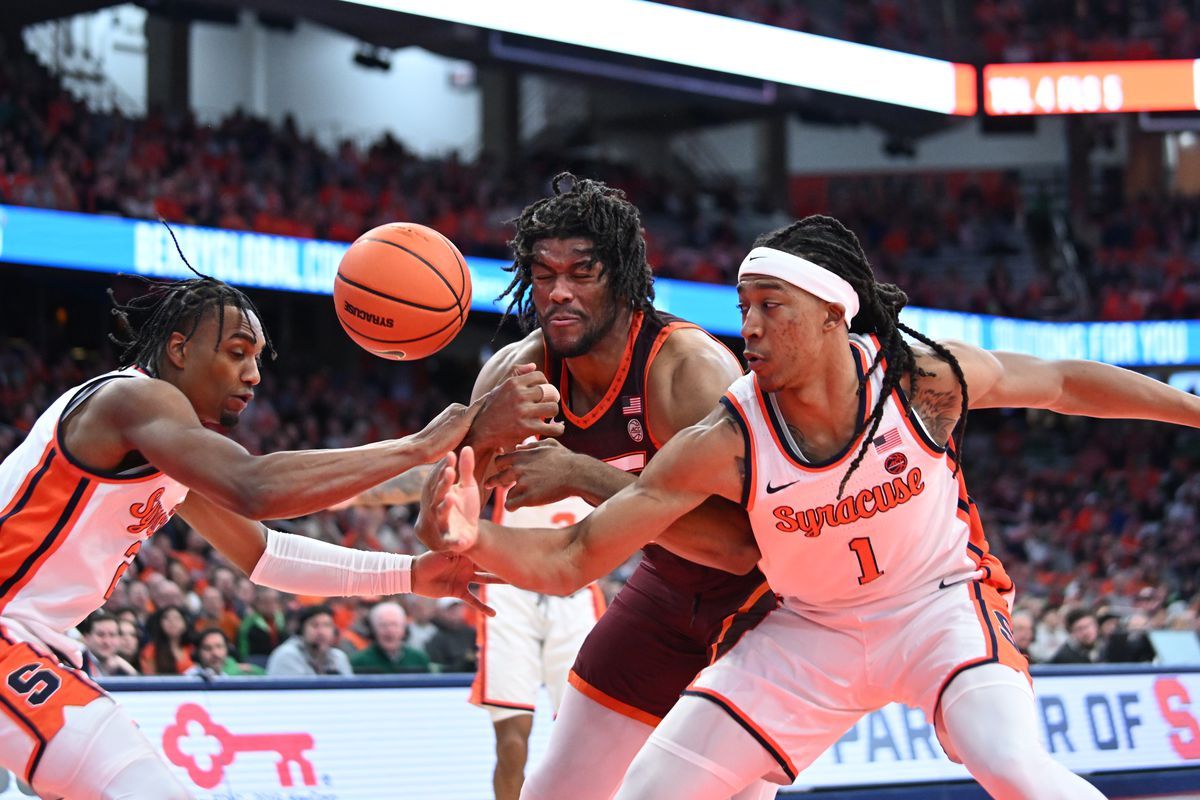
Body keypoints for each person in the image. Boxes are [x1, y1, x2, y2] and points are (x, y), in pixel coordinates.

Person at [431, 214, 1200, 799]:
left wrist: (1193, 411)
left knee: (1013, 767)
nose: (751, 327)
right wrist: (476, 539)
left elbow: (1067, 383)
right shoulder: (723, 435)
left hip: (936, 608)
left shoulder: (919, 381)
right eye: (745, 306)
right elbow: (575, 556)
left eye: (772, 306)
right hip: (810, 631)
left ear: (835, 312)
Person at [0, 255, 507, 800]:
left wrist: (408, 573)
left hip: (37, 638)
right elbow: (257, 487)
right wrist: (417, 445)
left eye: (258, 358)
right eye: (236, 353)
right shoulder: (135, 399)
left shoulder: (170, 450)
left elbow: (266, 554)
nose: (254, 374)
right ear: (179, 350)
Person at [417, 173, 773, 800]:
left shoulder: (687, 371)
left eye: (582, 273)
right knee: (554, 790)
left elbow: (742, 546)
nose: (558, 292)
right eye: (544, 273)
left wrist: (584, 475)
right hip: (663, 591)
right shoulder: (515, 372)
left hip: (763, 610)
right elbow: (450, 514)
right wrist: (456, 491)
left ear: (624, 278)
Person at [469, 491, 606, 800]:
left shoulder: (608, 444)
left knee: (581, 738)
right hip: (509, 591)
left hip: (574, 593)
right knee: (511, 741)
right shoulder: (509, 442)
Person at [266, 605, 352, 676]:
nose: (321, 632)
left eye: (327, 625)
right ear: (301, 630)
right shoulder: (287, 655)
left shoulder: (339, 657)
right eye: (314, 625)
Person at [349, 601, 431, 674]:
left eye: (394, 625)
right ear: (373, 629)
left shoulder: (418, 658)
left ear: (404, 629)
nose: (389, 630)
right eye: (383, 625)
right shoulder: (358, 662)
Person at [184, 628, 263, 677]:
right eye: (208, 648)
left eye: (219, 647)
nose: (215, 653)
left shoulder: (227, 679)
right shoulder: (188, 678)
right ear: (198, 653)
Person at [139, 605, 194, 675]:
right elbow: (150, 678)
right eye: (166, 618)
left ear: (185, 623)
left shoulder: (193, 648)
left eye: (176, 618)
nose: (172, 622)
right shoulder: (151, 650)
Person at [79, 612, 138, 677]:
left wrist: (131, 671)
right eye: (101, 635)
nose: (107, 641)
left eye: (112, 635)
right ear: (87, 638)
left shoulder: (123, 668)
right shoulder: (75, 665)